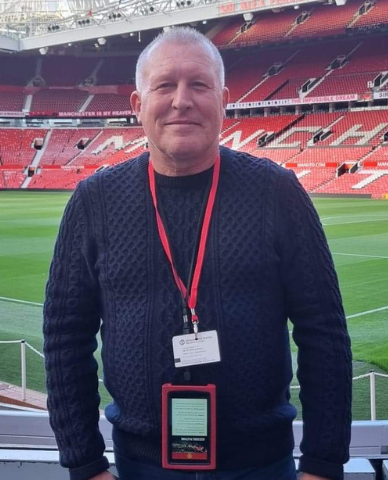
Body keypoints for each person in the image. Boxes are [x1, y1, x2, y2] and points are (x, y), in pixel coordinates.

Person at [43, 27, 352, 480]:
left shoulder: (276, 192)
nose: (181, 100)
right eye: (165, 85)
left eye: (199, 84)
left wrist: (324, 465)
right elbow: (65, 336)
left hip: (262, 465)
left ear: (223, 100)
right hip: (139, 465)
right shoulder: (95, 201)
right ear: (137, 104)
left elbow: (323, 330)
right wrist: (85, 465)